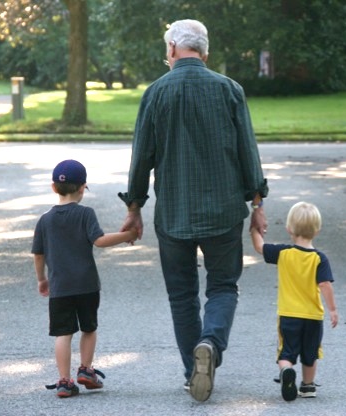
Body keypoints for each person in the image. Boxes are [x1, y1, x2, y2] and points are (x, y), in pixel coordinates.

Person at [118, 19, 268, 402]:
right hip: (222, 212)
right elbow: (247, 151)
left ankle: (193, 373)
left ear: (171, 50)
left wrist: (134, 207)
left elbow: (142, 159)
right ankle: (212, 346)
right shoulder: (229, 90)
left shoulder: (155, 93)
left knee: (181, 296)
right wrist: (257, 203)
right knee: (222, 286)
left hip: (174, 214)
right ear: (205, 51)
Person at [32, 159, 138, 398]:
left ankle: (63, 381)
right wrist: (127, 235)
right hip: (87, 285)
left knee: (63, 333)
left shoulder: (45, 220)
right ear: (83, 188)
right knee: (89, 328)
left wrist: (42, 279)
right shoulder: (85, 214)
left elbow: (38, 254)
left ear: (53, 187)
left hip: (60, 288)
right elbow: (99, 241)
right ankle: (86, 371)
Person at [251, 201, 338, 401]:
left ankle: (286, 371)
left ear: (289, 228)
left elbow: (259, 247)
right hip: (313, 316)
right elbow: (325, 284)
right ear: (317, 230)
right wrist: (332, 309)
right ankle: (307, 386)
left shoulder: (282, 253)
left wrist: (255, 229)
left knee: (286, 353)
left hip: (289, 315)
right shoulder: (319, 258)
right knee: (311, 353)